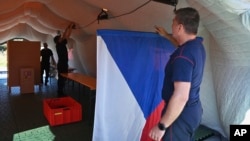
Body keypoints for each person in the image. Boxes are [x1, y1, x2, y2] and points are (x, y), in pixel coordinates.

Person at [149, 7, 206, 141]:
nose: (172, 25)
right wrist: (167, 36)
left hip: (179, 115)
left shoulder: (182, 57)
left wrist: (162, 126)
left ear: (180, 27)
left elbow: (181, 96)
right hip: (194, 110)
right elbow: (181, 46)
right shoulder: (197, 46)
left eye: (173, 23)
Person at [54, 22, 75, 97]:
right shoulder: (59, 45)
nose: (61, 38)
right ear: (58, 41)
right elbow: (65, 35)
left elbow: (66, 35)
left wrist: (69, 27)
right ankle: (60, 92)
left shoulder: (60, 44)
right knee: (62, 78)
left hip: (63, 63)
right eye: (60, 38)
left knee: (62, 78)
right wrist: (69, 27)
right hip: (62, 64)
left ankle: (60, 91)